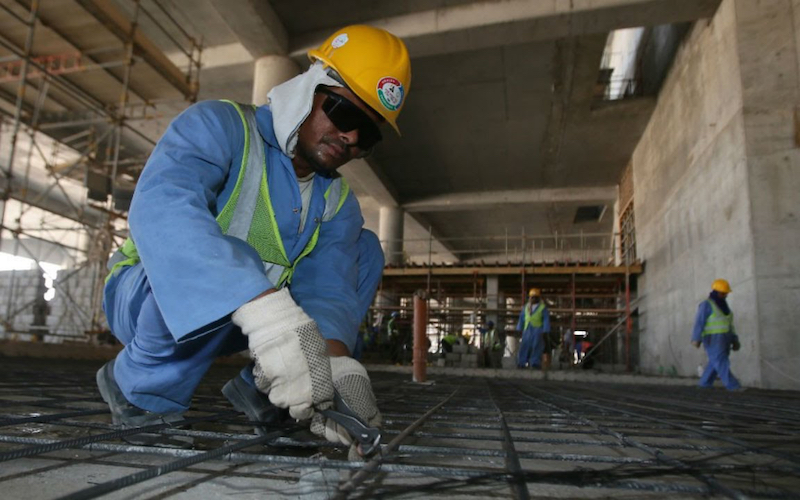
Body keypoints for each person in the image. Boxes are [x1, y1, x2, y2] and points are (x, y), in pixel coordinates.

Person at [97, 25, 412, 456]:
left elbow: (329, 289)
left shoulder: (338, 200)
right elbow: (162, 208)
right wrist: (265, 312)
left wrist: (336, 369)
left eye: (369, 134)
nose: (353, 138)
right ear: (308, 89)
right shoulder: (219, 126)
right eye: (345, 114)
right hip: (150, 300)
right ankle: (140, 387)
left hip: (253, 325)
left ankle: (277, 395)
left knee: (365, 250)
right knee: (236, 258)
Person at [691, 279, 742, 391]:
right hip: (713, 339)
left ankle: (704, 383)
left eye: (726, 293)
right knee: (721, 361)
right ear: (716, 292)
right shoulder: (706, 305)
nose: (725, 295)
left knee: (715, 362)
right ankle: (733, 386)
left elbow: (729, 324)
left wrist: (734, 339)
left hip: (725, 338)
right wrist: (696, 338)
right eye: (723, 293)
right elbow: (699, 322)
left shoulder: (724, 306)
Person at [516, 288, 551, 368]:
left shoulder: (542, 307)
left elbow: (546, 319)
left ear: (538, 298)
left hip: (537, 330)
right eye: (532, 297)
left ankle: (535, 363)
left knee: (537, 346)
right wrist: (519, 328)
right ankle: (521, 362)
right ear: (529, 297)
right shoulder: (526, 307)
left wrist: (545, 330)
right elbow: (521, 318)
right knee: (524, 346)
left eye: (535, 297)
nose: (533, 299)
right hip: (527, 329)